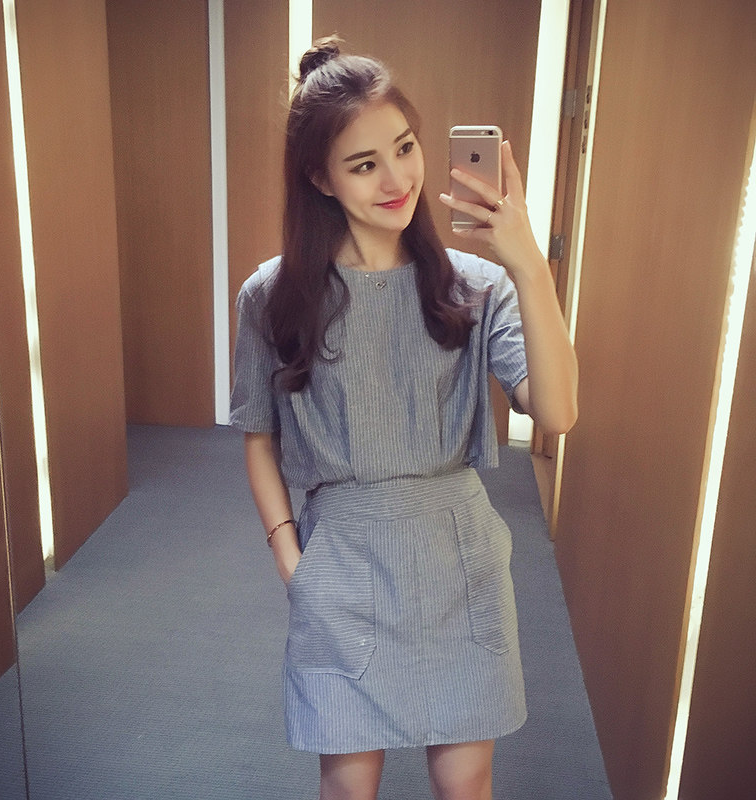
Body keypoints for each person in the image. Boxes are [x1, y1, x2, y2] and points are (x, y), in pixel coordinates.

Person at [229, 37, 578, 800]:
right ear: (319, 178)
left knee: (466, 783)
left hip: (460, 561)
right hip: (340, 561)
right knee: (348, 783)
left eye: (406, 147)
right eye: (364, 165)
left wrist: (529, 266)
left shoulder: (477, 286)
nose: (397, 180)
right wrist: (291, 561)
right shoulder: (272, 296)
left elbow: (556, 412)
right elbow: (259, 439)